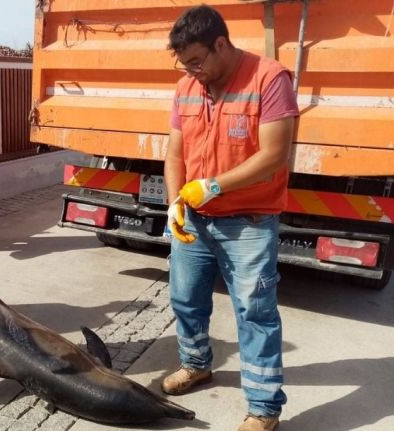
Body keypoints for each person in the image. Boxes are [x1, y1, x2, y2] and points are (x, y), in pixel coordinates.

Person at [161, 5, 299, 431]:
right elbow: (175, 153)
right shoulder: (186, 87)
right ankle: (197, 363)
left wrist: (215, 185)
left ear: (221, 43)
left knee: (254, 312)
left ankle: (263, 408)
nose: (192, 71)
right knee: (185, 298)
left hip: (249, 222)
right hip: (196, 221)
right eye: (185, 64)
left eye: (198, 61)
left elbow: (275, 154)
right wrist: (175, 204)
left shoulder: (269, 78)